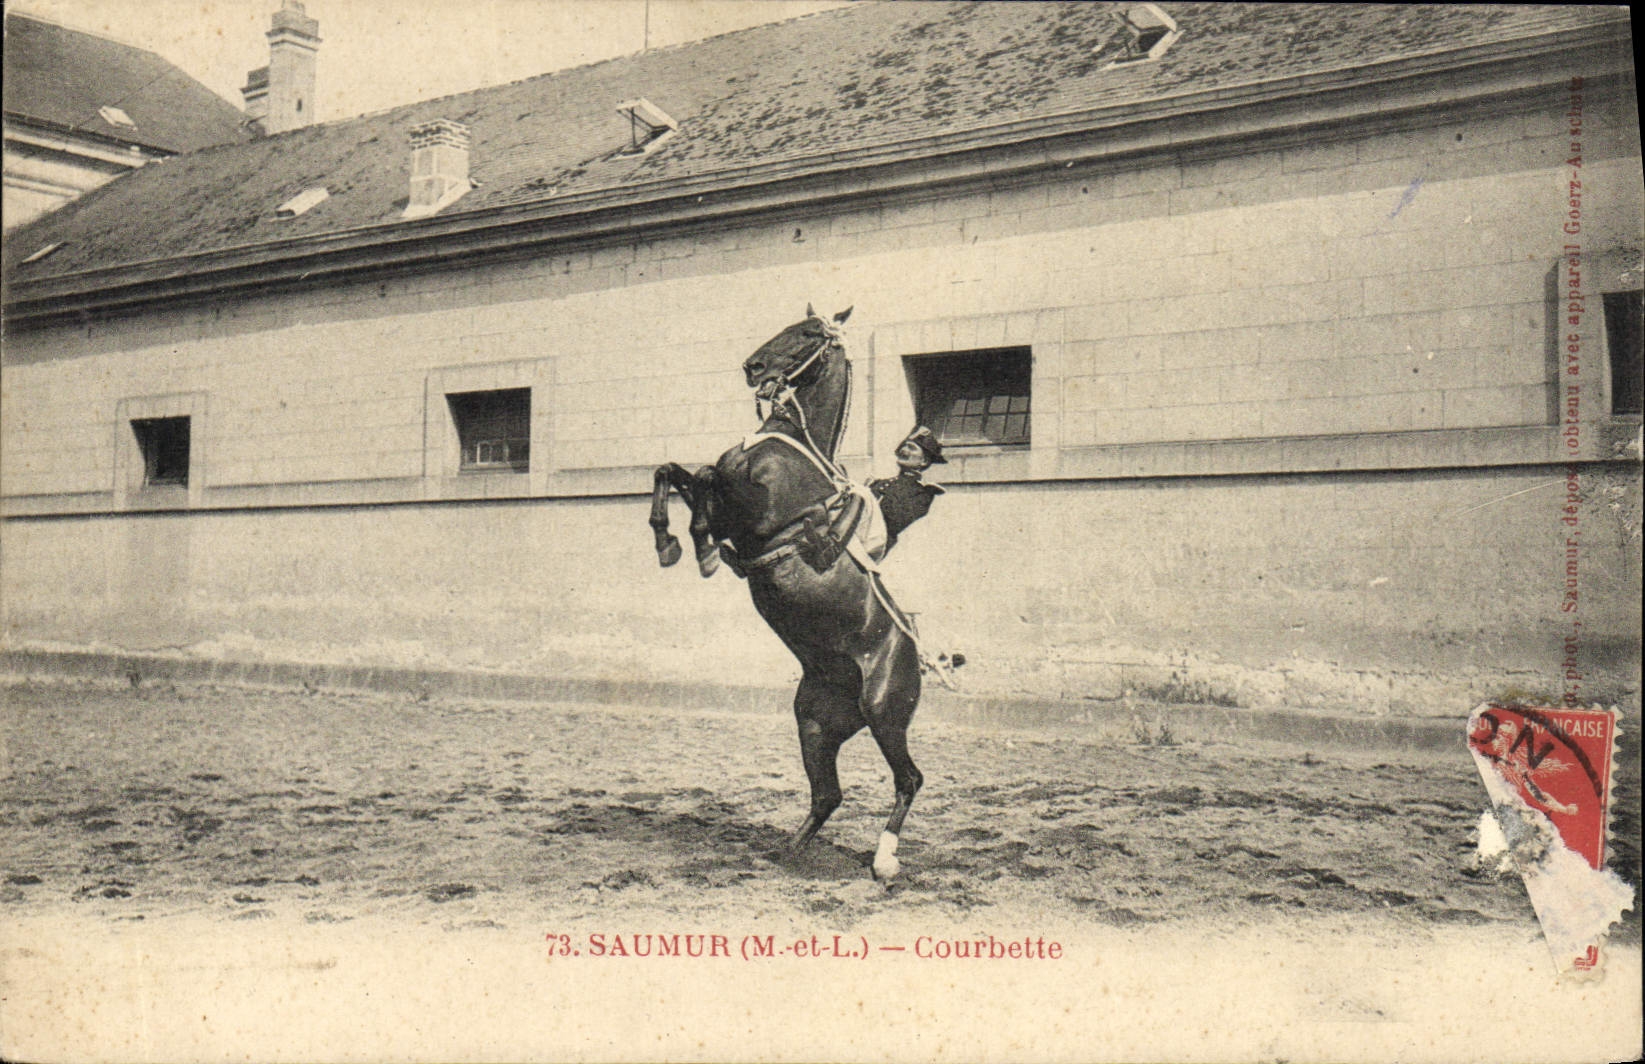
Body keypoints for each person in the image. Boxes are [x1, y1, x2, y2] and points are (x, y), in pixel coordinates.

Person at [867, 426, 946, 559]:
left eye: (911, 448)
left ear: (924, 461)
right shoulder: (879, 482)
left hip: (875, 544)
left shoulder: (922, 493)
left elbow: (894, 520)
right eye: (904, 446)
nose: (904, 450)